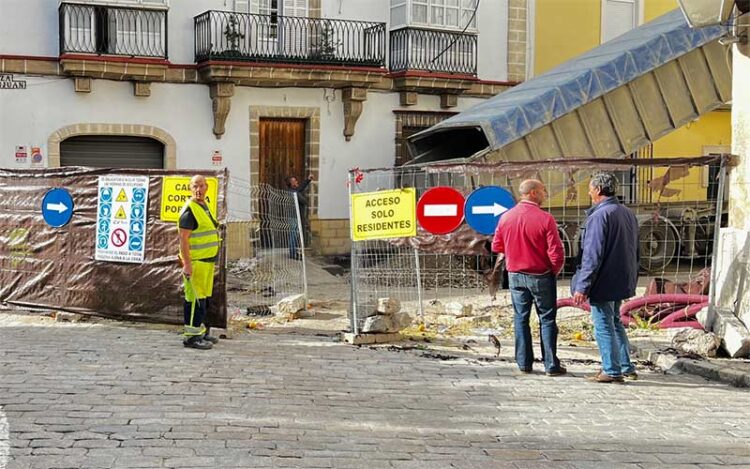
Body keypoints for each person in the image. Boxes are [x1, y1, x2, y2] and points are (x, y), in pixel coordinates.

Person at [492, 179, 567, 376]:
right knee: (547, 319)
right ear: (533, 193)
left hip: (515, 275)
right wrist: (554, 269)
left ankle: (524, 363)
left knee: (520, 318)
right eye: (543, 190)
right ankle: (551, 364)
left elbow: (496, 246)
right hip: (541, 274)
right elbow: (556, 251)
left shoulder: (506, 217)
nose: (546, 194)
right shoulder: (545, 218)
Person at [572, 172, 640, 383]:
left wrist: (582, 286)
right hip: (622, 277)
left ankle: (611, 369)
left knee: (603, 324)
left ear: (598, 190)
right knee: (615, 321)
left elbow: (592, 254)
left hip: (603, 280)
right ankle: (626, 365)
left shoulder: (599, 216)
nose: (589, 192)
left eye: (590, 189)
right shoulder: (627, 212)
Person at [178, 175, 221, 350]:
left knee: (203, 300)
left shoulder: (203, 206)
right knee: (195, 300)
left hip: (206, 262)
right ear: (190, 188)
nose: (199, 189)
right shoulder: (190, 210)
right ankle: (191, 337)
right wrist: (187, 264)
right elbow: (183, 239)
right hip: (196, 263)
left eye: (202, 186)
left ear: (207, 187)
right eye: (195, 186)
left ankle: (200, 331)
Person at [285, 174, 314, 260]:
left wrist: (308, 180)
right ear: (292, 183)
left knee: (293, 235)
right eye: (295, 181)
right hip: (294, 217)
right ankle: (293, 254)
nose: (297, 182)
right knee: (293, 236)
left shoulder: (293, 191)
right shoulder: (294, 193)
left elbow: (300, 188)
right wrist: (305, 199)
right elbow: (304, 201)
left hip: (293, 216)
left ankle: (293, 252)